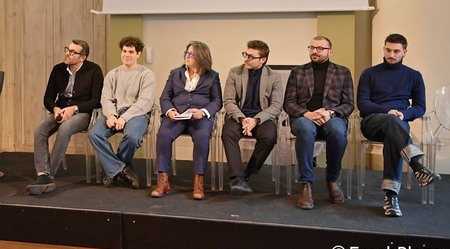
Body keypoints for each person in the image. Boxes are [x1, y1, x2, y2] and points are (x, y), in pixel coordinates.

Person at [357, 33, 441, 217]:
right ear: (384, 49)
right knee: (392, 121)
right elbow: (362, 104)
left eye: (396, 51)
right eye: (388, 50)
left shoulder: (414, 76)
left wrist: (404, 114)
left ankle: (391, 197)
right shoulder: (369, 73)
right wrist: (388, 112)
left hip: (398, 124)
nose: (391, 54)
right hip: (373, 122)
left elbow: (420, 107)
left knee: (393, 136)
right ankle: (417, 165)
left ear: (405, 52)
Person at [284, 36, 354, 210]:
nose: (315, 51)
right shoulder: (298, 71)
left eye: (320, 48)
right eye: (312, 47)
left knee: (337, 130)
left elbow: (349, 104)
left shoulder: (343, 72)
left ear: (330, 51)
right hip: (304, 117)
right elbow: (289, 103)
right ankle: (306, 184)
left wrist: (330, 113)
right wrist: (307, 113)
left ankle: (332, 179)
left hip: (331, 116)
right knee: (306, 129)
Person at [26, 40, 104, 195]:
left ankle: (49, 176)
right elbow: (48, 98)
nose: (67, 53)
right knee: (40, 129)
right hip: (59, 110)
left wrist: (74, 109)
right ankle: (42, 173)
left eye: (72, 52)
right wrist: (55, 109)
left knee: (64, 129)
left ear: (82, 57)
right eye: (67, 49)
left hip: (82, 113)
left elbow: (97, 101)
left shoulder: (94, 70)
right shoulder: (58, 69)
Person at [151, 41, 222, 200]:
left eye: (191, 54)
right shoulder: (175, 73)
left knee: (202, 137)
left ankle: (198, 182)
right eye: (186, 52)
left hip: (199, 117)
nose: (187, 56)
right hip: (177, 116)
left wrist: (203, 112)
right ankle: (163, 181)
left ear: (201, 56)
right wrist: (170, 111)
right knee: (163, 135)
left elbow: (217, 101)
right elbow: (164, 97)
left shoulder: (212, 76)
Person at [88, 36, 156, 189]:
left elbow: (144, 102)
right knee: (94, 134)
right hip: (115, 112)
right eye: (124, 51)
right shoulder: (112, 74)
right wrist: (111, 114)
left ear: (138, 54)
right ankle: (123, 170)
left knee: (132, 137)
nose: (127, 55)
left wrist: (124, 117)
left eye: (131, 52)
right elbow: (106, 98)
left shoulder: (147, 74)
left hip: (137, 114)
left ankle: (114, 170)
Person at [222, 40, 283, 195]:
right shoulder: (235, 72)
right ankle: (237, 177)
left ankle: (247, 172)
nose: (246, 59)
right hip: (239, 116)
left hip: (262, 118)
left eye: (251, 57)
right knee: (228, 133)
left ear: (263, 59)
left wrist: (255, 120)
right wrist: (243, 119)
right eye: (245, 54)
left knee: (269, 137)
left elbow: (276, 105)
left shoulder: (274, 76)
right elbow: (228, 101)